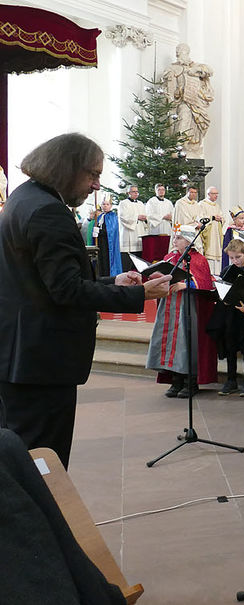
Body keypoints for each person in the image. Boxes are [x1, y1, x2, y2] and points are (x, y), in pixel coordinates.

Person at [0, 133, 171, 467]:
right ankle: (42, 519)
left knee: (21, 459)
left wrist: (113, 280)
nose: (96, 185)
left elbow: (46, 282)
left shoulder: (23, 198)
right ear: (66, 168)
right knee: (43, 463)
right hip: (41, 364)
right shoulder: (48, 212)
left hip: (20, 357)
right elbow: (66, 291)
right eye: (92, 174)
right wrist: (140, 293)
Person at [147, 225, 218, 399]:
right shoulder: (170, 257)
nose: (175, 240)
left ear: (188, 241)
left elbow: (205, 284)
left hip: (189, 306)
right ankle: (175, 379)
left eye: (178, 238)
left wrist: (185, 284)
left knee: (187, 341)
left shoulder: (199, 259)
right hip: (169, 305)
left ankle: (190, 381)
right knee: (170, 341)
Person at [207, 239, 244, 397]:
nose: (235, 261)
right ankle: (231, 380)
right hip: (229, 313)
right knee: (230, 346)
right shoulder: (227, 271)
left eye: (238, 257)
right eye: (232, 258)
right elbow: (220, 288)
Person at [162, 43, 213, 157]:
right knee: (184, 114)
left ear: (187, 53)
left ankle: (188, 146)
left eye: (182, 51)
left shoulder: (195, 66)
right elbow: (170, 88)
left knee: (194, 123)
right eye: (178, 51)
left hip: (196, 101)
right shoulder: (173, 68)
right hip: (182, 101)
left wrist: (196, 70)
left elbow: (209, 71)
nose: (179, 53)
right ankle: (179, 144)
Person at [91, 195, 122, 277]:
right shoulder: (99, 216)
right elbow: (95, 227)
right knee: (101, 260)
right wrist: (94, 232)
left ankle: (109, 276)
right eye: (103, 204)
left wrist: (100, 231)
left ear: (111, 206)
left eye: (107, 204)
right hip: (100, 243)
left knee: (107, 260)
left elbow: (111, 230)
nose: (105, 206)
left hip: (108, 244)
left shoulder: (113, 216)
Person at [117, 185, 147, 269]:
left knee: (139, 260)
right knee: (128, 262)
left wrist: (145, 218)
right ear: (128, 193)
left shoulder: (141, 203)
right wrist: (137, 217)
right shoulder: (123, 203)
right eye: (134, 191)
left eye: (137, 191)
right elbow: (123, 217)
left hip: (140, 231)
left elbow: (145, 216)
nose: (136, 193)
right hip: (129, 233)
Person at [199, 186, 224, 274]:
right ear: (208, 194)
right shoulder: (202, 204)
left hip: (217, 233)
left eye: (217, 194)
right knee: (209, 253)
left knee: (217, 253)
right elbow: (200, 218)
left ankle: (217, 273)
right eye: (214, 194)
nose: (216, 196)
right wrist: (212, 218)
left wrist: (221, 219)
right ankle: (209, 273)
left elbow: (222, 217)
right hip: (209, 234)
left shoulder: (217, 205)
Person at [222, 205, 244, 270]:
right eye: (241, 218)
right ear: (235, 219)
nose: (243, 220)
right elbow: (226, 246)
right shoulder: (230, 231)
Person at [173, 186, 203, 251]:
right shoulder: (180, 203)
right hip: (184, 232)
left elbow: (200, 216)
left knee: (197, 249)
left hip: (195, 231)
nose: (194, 194)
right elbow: (183, 218)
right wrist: (196, 225)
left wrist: (200, 223)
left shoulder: (196, 204)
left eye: (195, 192)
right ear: (187, 192)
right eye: (191, 192)